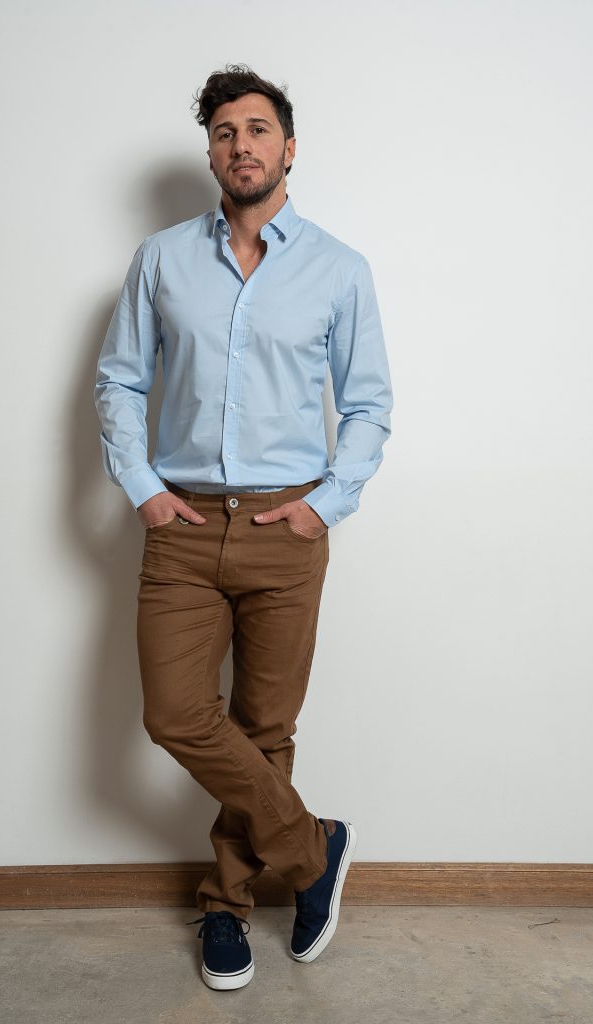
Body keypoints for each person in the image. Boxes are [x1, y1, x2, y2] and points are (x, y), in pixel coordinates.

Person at [94, 63, 394, 991]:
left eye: (258, 129)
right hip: (181, 525)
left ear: (288, 148)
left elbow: (369, 406)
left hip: (286, 524)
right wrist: (142, 487)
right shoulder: (161, 259)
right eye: (225, 132)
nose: (241, 145)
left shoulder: (339, 269)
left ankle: (224, 906)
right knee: (176, 714)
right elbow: (120, 379)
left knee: (265, 727)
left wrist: (323, 504)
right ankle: (313, 849)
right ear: (211, 154)